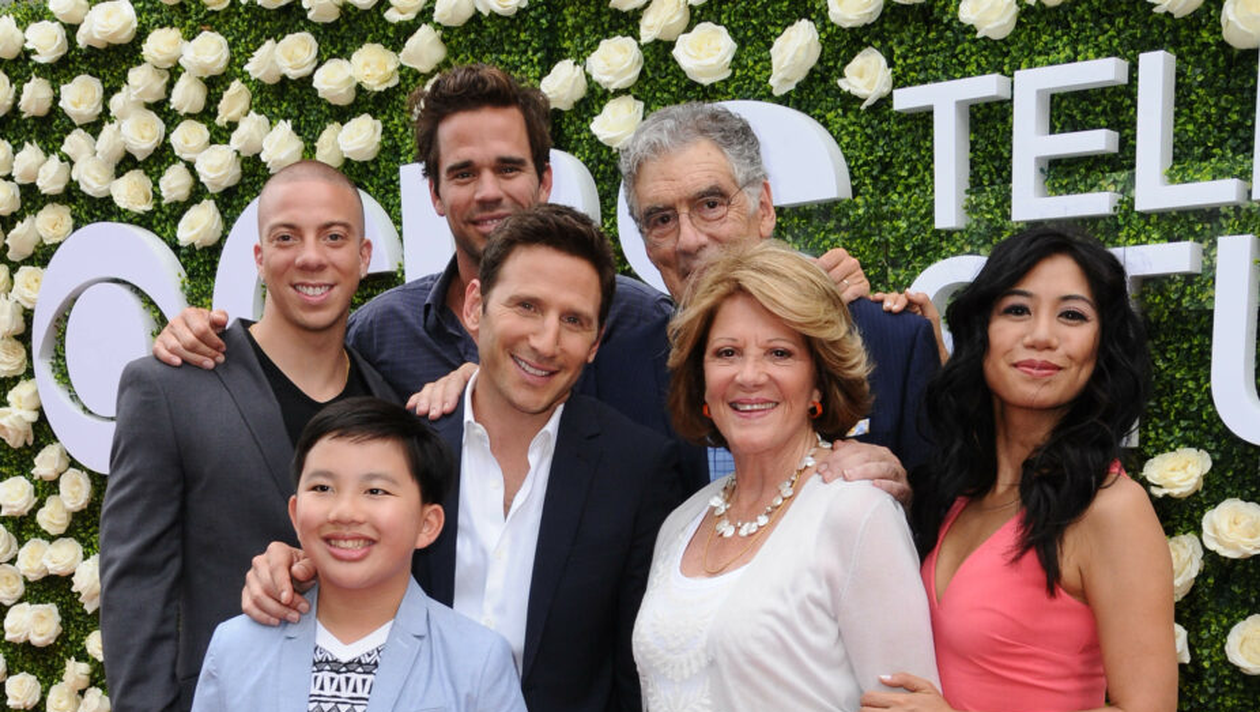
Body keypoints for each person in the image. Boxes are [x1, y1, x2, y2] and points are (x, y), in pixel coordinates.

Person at [151, 63, 711, 493]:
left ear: (544, 181)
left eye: (508, 168)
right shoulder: (379, 334)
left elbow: (686, 492)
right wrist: (203, 337)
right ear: (435, 194)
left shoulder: (642, 324)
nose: (488, 191)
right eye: (463, 173)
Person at [243, 204, 681, 712]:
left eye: (573, 320)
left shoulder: (637, 469)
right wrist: (291, 569)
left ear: (595, 342)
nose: (546, 342)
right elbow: (342, 567)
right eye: (526, 306)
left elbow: (636, 671)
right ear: (475, 306)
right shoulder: (400, 453)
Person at [100, 162, 400, 712]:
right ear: (260, 258)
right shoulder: (170, 388)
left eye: (334, 236)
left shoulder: (389, 406)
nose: (311, 257)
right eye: (287, 237)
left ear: (364, 257)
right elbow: (135, 586)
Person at [862, 228, 1176, 711]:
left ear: (1103, 345)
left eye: (1072, 315)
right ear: (982, 331)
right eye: (1017, 310)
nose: (1041, 336)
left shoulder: (1109, 507)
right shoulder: (962, 487)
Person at [633, 240, 938, 711]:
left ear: (819, 381)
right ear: (701, 381)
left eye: (779, 353)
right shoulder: (681, 524)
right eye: (727, 352)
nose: (750, 376)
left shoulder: (856, 512)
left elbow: (906, 702)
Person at [616, 102, 940, 478]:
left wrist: (903, 491)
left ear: (765, 208)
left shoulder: (893, 341)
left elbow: (943, 501)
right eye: (661, 219)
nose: (688, 240)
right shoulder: (617, 372)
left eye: (710, 204)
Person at [191, 397, 526, 712]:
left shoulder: (477, 660)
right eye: (322, 488)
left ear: (427, 524)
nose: (345, 512)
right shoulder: (235, 648)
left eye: (375, 491)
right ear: (295, 513)